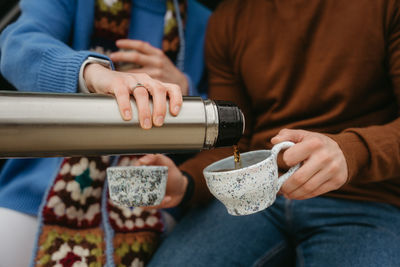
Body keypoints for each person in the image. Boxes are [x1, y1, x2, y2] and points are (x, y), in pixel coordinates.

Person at [126, 0, 400, 266]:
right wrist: (186, 182)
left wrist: (350, 152)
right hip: (255, 196)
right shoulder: (229, 18)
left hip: (366, 199)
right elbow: (232, 142)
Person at [0, 0, 210, 266]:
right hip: (36, 193)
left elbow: (223, 126)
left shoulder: (203, 21)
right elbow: (18, 45)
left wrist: (185, 90)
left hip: (149, 203)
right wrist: (90, 73)